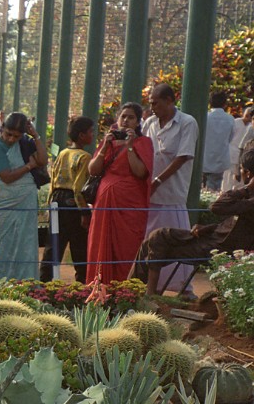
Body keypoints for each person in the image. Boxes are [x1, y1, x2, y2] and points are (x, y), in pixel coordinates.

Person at [131, 148, 254, 295]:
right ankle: (130, 290)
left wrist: (246, 189)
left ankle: (147, 295)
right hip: (211, 238)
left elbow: (216, 207)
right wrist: (207, 228)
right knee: (152, 242)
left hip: (217, 249)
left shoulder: (250, 199)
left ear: (248, 173)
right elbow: (232, 225)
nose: (239, 173)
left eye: (241, 169)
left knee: (158, 240)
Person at [85, 103, 153, 284]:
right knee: (99, 246)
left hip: (129, 207)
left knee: (126, 249)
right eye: (123, 116)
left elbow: (140, 172)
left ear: (138, 122)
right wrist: (105, 147)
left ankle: (123, 291)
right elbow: (93, 170)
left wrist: (130, 147)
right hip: (104, 207)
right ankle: (97, 289)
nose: (125, 120)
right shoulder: (108, 141)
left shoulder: (143, 142)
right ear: (117, 119)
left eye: (131, 117)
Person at [143, 84, 198, 295]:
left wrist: (157, 181)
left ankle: (184, 287)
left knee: (174, 240)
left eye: (155, 103)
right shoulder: (149, 123)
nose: (152, 107)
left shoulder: (187, 122)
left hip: (172, 193)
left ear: (169, 100)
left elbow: (182, 157)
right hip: (149, 195)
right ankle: (150, 286)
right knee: (149, 242)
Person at [0, 111, 47, 280]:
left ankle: (26, 285)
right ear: (2, 128)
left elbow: (43, 160)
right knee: (3, 245)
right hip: (6, 204)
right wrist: (28, 166)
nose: (11, 139)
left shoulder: (25, 144)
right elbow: (6, 177)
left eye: (16, 136)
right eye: (8, 134)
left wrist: (35, 136)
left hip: (26, 202)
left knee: (26, 243)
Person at [40, 116, 95, 283]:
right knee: (79, 246)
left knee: (54, 244)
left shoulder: (63, 153)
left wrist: (49, 206)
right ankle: (81, 284)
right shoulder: (84, 157)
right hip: (73, 204)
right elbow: (78, 188)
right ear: (81, 136)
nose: (93, 135)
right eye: (91, 132)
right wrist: (84, 212)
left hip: (57, 200)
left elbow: (53, 180)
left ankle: (44, 283)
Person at [201, 91, 235, 191]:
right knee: (216, 187)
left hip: (204, 158)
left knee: (203, 189)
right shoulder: (230, 119)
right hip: (220, 159)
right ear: (225, 104)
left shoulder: (204, 117)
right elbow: (231, 138)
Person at [224, 106, 253, 191]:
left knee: (240, 176)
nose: (247, 118)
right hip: (231, 151)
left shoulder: (250, 126)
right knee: (228, 174)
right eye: (246, 115)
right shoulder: (236, 122)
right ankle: (226, 191)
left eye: (249, 116)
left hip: (244, 154)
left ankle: (238, 191)